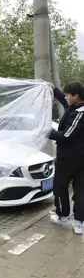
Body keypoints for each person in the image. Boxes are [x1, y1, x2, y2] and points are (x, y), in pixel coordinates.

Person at [48, 82, 84, 235]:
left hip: (70, 158)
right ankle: (79, 222)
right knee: (81, 189)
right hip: (79, 157)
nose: (66, 98)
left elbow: (66, 136)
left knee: (61, 186)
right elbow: (64, 100)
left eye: (69, 95)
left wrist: (45, 130)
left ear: (76, 96)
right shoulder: (76, 106)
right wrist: (53, 89)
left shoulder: (80, 114)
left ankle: (64, 216)